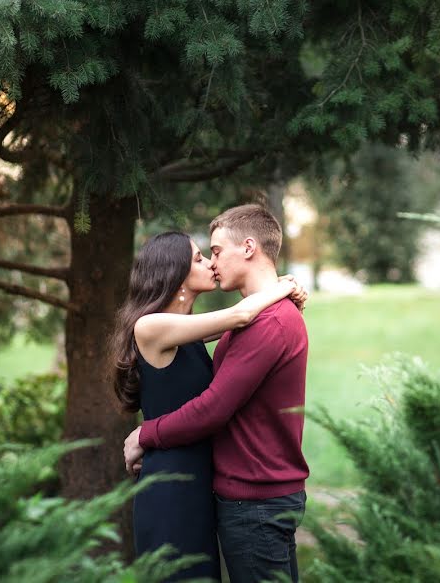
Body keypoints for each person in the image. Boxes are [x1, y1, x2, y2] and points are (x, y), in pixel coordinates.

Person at [124, 204, 310, 583]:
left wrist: (280, 289)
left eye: (214, 251)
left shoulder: (191, 329)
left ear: (247, 247)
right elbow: (239, 317)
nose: (211, 262)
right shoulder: (152, 326)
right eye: (200, 257)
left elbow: (240, 323)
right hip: (173, 487)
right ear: (176, 274)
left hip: (205, 486)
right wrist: (283, 287)